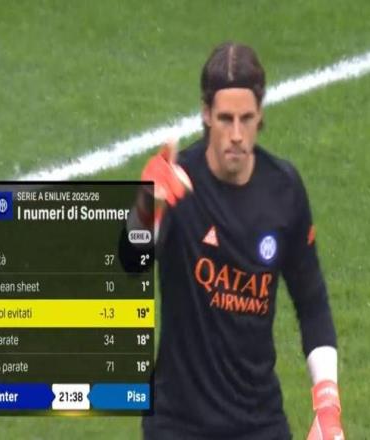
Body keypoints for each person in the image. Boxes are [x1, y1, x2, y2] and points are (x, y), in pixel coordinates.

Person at [122, 42, 345, 440]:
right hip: (177, 425)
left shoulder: (284, 190)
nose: (237, 135)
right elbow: (127, 265)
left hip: (258, 422)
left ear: (261, 114)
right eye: (225, 119)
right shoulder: (177, 182)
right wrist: (146, 207)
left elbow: (312, 304)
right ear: (206, 114)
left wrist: (327, 408)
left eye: (247, 119)